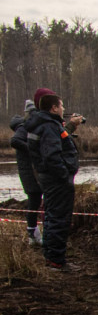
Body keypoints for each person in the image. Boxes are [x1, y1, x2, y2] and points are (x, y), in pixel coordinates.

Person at [24, 89, 85, 271]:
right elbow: (51, 156)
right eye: (61, 105)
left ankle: (51, 256)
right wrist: (64, 174)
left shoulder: (41, 124)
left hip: (48, 178)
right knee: (59, 218)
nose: (63, 109)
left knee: (51, 216)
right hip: (57, 180)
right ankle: (57, 259)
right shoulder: (49, 126)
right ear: (53, 108)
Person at [8, 99, 42, 244]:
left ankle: (34, 233)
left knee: (36, 200)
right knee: (34, 200)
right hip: (28, 171)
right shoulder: (23, 128)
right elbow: (14, 141)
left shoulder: (28, 127)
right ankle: (32, 234)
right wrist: (31, 148)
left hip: (32, 170)